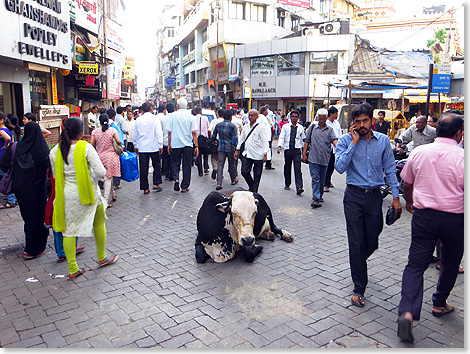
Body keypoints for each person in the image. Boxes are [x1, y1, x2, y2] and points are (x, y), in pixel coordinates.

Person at [397, 112, 464, 343]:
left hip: (424, 216)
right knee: (450, 262)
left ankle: (407, 311)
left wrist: (408, 201)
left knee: (415, 264)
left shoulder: (419, 152)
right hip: (455, 219)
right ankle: (438, 303)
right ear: (459, 133)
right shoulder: (463, 157)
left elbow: (407, 182)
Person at [335, 102, 402, 307]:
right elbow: (339, 167)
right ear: (353, 124)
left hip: (375, 197)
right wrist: (353, 144)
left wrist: (397, 198)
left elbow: (390, 169)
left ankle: (358, 263)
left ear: (372, 120)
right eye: (358, 122)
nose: (362, 125)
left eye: (365, 121)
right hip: (353, 197)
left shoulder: (382, 141)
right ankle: (359, 287)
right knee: (355, 242)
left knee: (372, 241)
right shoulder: (346, 141)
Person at [50, 117, 118, 280]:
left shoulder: (55, 151)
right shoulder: (85, 148)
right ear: (81, 132)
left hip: (66, 196)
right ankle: (102, 257)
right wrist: (91, 176)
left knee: (69, 231)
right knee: (99, 222)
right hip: (88, 193)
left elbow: (54, 174)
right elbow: (101, 172)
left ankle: (73, 268)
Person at [1, 121, 50, 259]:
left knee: (28, 216)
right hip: (38, 188)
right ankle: (33, 248)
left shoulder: (15, 147)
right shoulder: (42, 149)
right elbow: (48, 168)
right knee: (38, 216)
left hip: (20, 188)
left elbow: (4, 166)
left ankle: (33, 245)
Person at [302, 108, 337, 208]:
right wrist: (304, 154)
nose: (321, 121)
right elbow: (306, 141)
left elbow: (334, 141)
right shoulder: (312, 128)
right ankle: (316, 198)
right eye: (320, 119)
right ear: (317, 118)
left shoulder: (330, 130)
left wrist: (339, 149)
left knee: (321, 180)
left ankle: (319, 194)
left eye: (323, 119)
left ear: (326, 118)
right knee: (315, 179)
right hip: (313, 158)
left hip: (325, 159)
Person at [167, 97, 198, 193]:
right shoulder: (191, 117)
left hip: (176, 144)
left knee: (175, 163)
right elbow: (194, 133)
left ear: (177, 106)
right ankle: (184, 186)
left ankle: (176, 179)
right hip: (188, 145)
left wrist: (169, 144)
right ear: (187, 106)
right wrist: (196, 145)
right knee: (187, 165)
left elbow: (169, 132)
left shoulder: (172, 116)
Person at [90, 114, 121, 207]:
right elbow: (119, 141)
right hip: (111, 157)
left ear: (99, 122)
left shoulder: (95, 132)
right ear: (108, 121)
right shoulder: (112, 130)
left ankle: (113, 194)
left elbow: (91, 144)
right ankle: (105, 200)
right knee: (108, 177)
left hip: (99, 157)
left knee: (108, 177)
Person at [234, 109, 268, 193]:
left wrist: (265, 154)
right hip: (247, 153)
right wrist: (237, 150)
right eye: (249, 115)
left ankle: (254, 192)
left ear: (257, 117)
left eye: (252, 115)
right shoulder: (245, 127)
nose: (250, 117)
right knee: (244, 172)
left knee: (257, 175)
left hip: (258, 155)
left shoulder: (261, 128)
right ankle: (252, 186)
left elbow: (265, 141)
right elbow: (241, 140)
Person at [133, 102, 164, 195]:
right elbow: (159, 133)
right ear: (151, 109)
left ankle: (145, 188)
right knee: (157, 165)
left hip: (142, 147)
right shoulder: (155, 119)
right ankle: (156, 183)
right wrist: (160, 145)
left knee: (143, 168)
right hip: (154, 146)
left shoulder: (138, 120)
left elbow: (135, 134)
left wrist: (135, 146)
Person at [277, 110, 305, 195]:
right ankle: (287, 183)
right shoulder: (285, 127)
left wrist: (304, 151)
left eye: (296, 117)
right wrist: (279, 146)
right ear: (290, 117)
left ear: (298, 117)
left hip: (297, 150)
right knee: (287, 167)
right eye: (293, 116)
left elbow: (303, 139)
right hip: (288, 149)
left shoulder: (300, 128)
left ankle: (299, 187)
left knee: (297, 169)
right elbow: (282, 137)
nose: (294, 118)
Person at [212, 109, 238, 190]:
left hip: (221, 147)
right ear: (230, 117)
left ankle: (219, 183)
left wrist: (215, 141)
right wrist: (236, 147)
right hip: (230, 148)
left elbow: (213, 135)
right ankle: (233, 179)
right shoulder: (233, 126)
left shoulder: (218, 125)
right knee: (232, 164)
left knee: (220, 165)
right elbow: (235, 138)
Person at [0, 112, 16, 209]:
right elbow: (12, 141)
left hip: (3, 156)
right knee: (9, 176)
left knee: (6, 176)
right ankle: (13, 197)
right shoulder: (9, 129)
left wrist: (6, 145)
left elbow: (8, 138)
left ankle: (11, 199)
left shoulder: (1, 130)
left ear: (1, 120)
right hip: (8, 155)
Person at [324, 106, 342, 192]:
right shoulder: (326, 123)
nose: (337, 115)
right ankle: (325, 183)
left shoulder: (337, 123)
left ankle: (328, 180)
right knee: (326, 166)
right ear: (331, 114)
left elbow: (340, 134)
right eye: (336, 113)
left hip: (336, 148)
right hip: (327, 148)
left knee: (332, 165)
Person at [194, 106, 210, 176]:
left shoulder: (193, 118)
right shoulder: (205, 118)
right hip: (204, 138)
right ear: (201, 111)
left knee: (198, 155)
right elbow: (208, 128)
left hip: (196, 139)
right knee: (205, 154)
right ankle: (206, 167)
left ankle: (200, 171)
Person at [208, 108, 224, 180]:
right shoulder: (225, 122)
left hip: (215, 141)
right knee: (221, 159)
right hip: (223, 142)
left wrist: (211, 139)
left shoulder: (214, 121)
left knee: (214, 157)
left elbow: (209, 130)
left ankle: (215, 168)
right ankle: (220, 173)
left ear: (217, 114)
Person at [160, 103, 173, 180]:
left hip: (164, 141)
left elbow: (160, 130)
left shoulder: (163, 119)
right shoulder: (175, 118)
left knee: (165, 158)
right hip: (173, 142)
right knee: (172, 158)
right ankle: (172, 174)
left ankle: (166, 173)